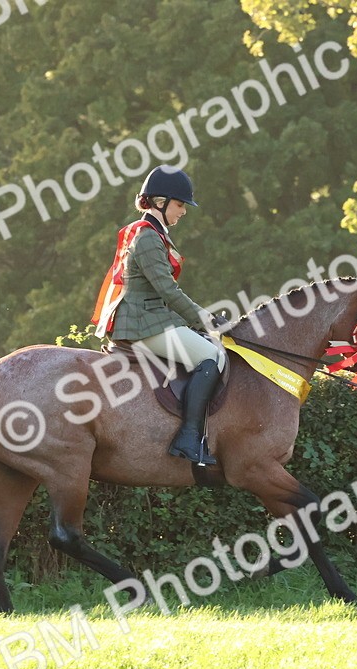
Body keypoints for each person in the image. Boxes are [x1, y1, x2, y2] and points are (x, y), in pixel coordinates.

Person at [91, 165, 226, 465]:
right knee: (212, 357)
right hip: (143, 324)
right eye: (180, 205)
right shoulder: (149, 238)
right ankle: (189, 438)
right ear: (160, 202)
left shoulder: (147, 232)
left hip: (148, 318)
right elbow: (167, 291)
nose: (184, 212)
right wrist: (205, 319)